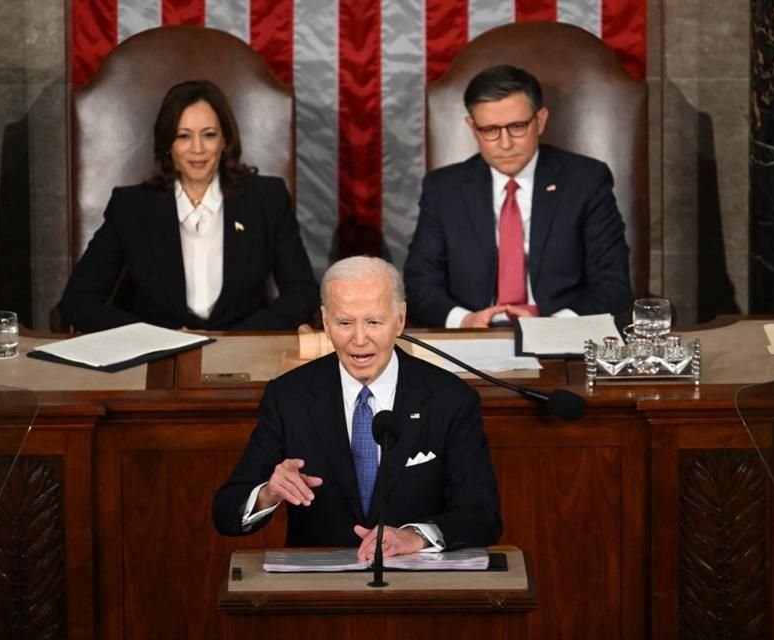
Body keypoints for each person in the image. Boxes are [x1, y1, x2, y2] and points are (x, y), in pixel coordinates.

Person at [212, 256, 501, 560]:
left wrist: (415, 536)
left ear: (400, 319)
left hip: (416, 587)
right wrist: (267, 493)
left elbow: (482, 515)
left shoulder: (450, 398)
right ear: (325, 321)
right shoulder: (288, 397)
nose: (359, 340)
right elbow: (226, 513)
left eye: (374, 322)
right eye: (345, 323)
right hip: (318, 590)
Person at [58, 80, 318, 333]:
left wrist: (235, 339)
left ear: (225, 140)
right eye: (183, 136)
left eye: (209, 135)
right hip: (156, 358)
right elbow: (78, 301)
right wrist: (155, 337)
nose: (197, 149)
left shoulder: (266, 199)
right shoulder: (131, 207)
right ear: (168, 145)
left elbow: (302, 293)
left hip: (241, 355)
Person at [403, 64, 633, 328]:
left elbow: (613, 283)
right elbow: (420, 282)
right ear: (472, 127)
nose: (505, 143)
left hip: (558, 333)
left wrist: (554, 326)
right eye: (489, 130)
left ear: (540, 120)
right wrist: (464, 320)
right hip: (473, 336)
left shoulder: (586, 181)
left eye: (517, 127)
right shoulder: (444, 189)